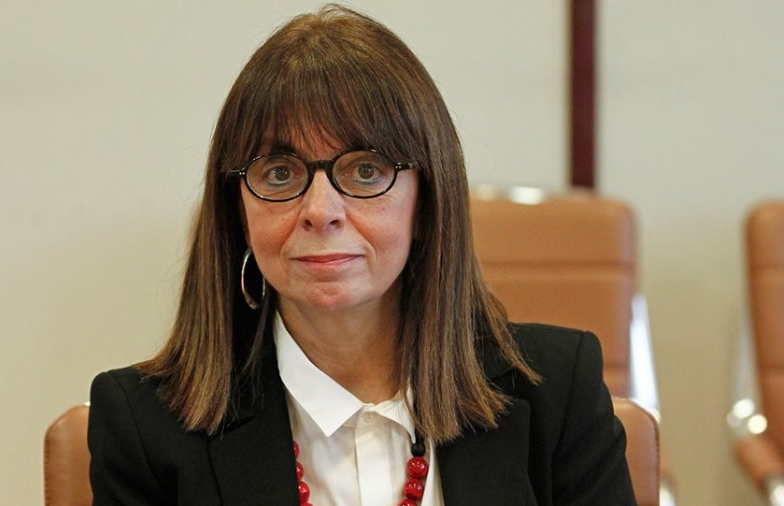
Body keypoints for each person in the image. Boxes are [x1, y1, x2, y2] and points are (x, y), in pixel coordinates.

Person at [87, 5, 636, 505]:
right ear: (239, 214)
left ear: (427, 203)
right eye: (279, 173)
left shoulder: (557, 394)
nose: (320, 210)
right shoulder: (145, 429)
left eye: (366, 171)